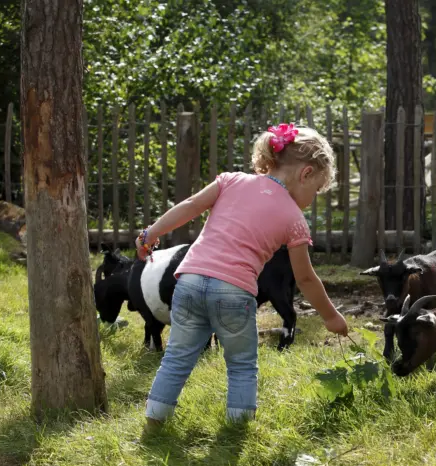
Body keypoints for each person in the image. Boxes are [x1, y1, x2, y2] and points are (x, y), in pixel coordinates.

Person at [135, 123, 348, 431]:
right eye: (316, 189)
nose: (313, 198)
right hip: (233, 294)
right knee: (241, 365)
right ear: (306, 173)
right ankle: (237, 431)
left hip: (190, 281)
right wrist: (331, 318)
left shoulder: (231, 181)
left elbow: (190, 206)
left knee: (177, 359)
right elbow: (305, 279)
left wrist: (151, 233)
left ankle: (154, 425)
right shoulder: (295, 220)